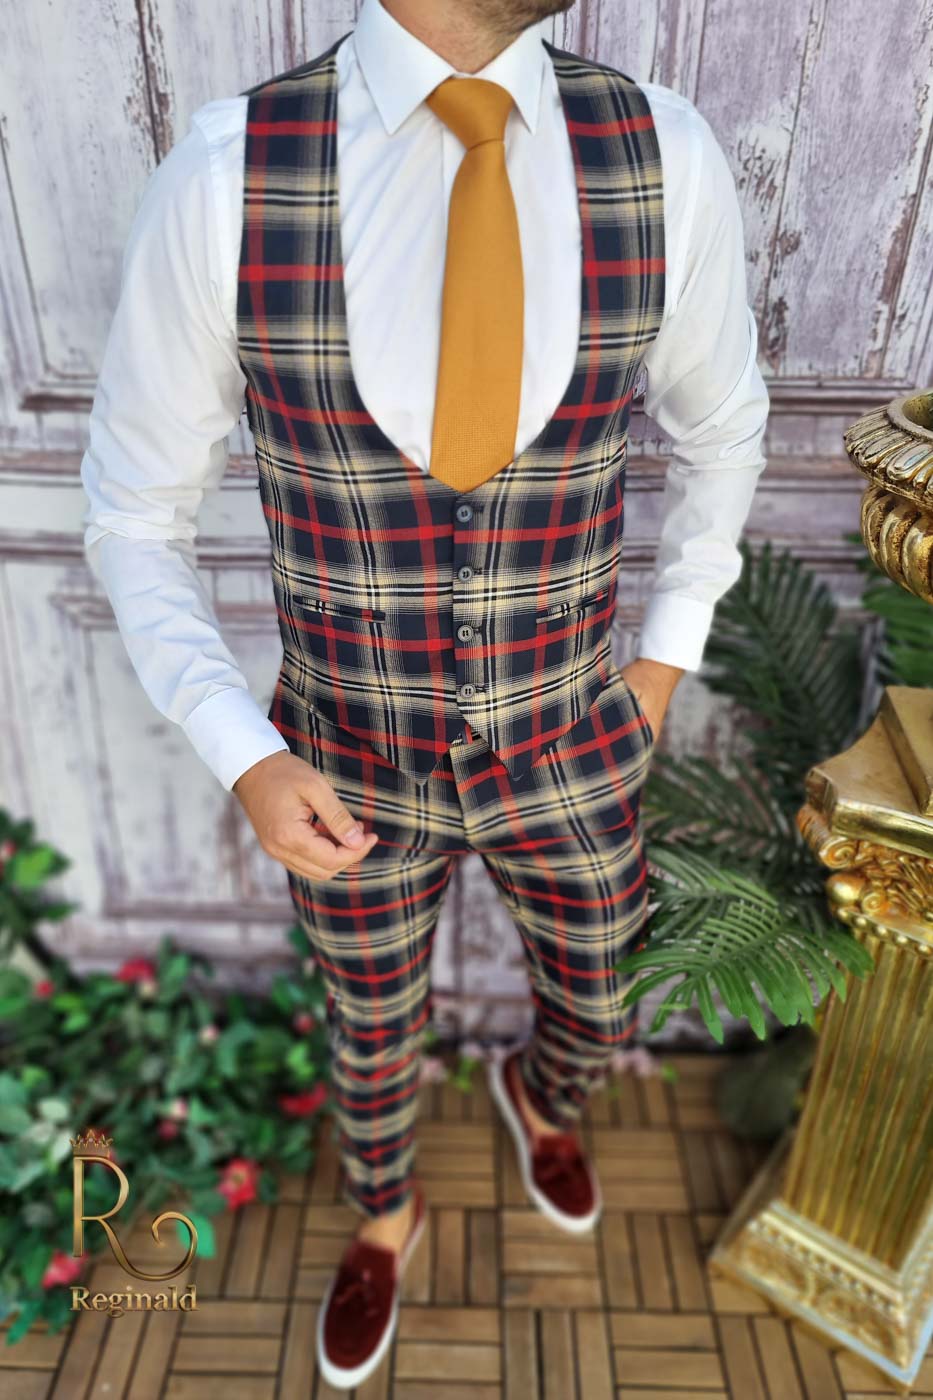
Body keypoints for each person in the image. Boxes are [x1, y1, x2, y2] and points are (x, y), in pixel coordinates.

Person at [79, 0, 769, 1385]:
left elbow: (723, 429)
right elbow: (134, 513)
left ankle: (542, 1094)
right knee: (368, 1017)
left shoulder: (663, 155)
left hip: (572, 729)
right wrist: (241, 751)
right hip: (339, 755)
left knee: (604, 983)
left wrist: (659, 660)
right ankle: (383, 1214)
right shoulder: (227, 176)